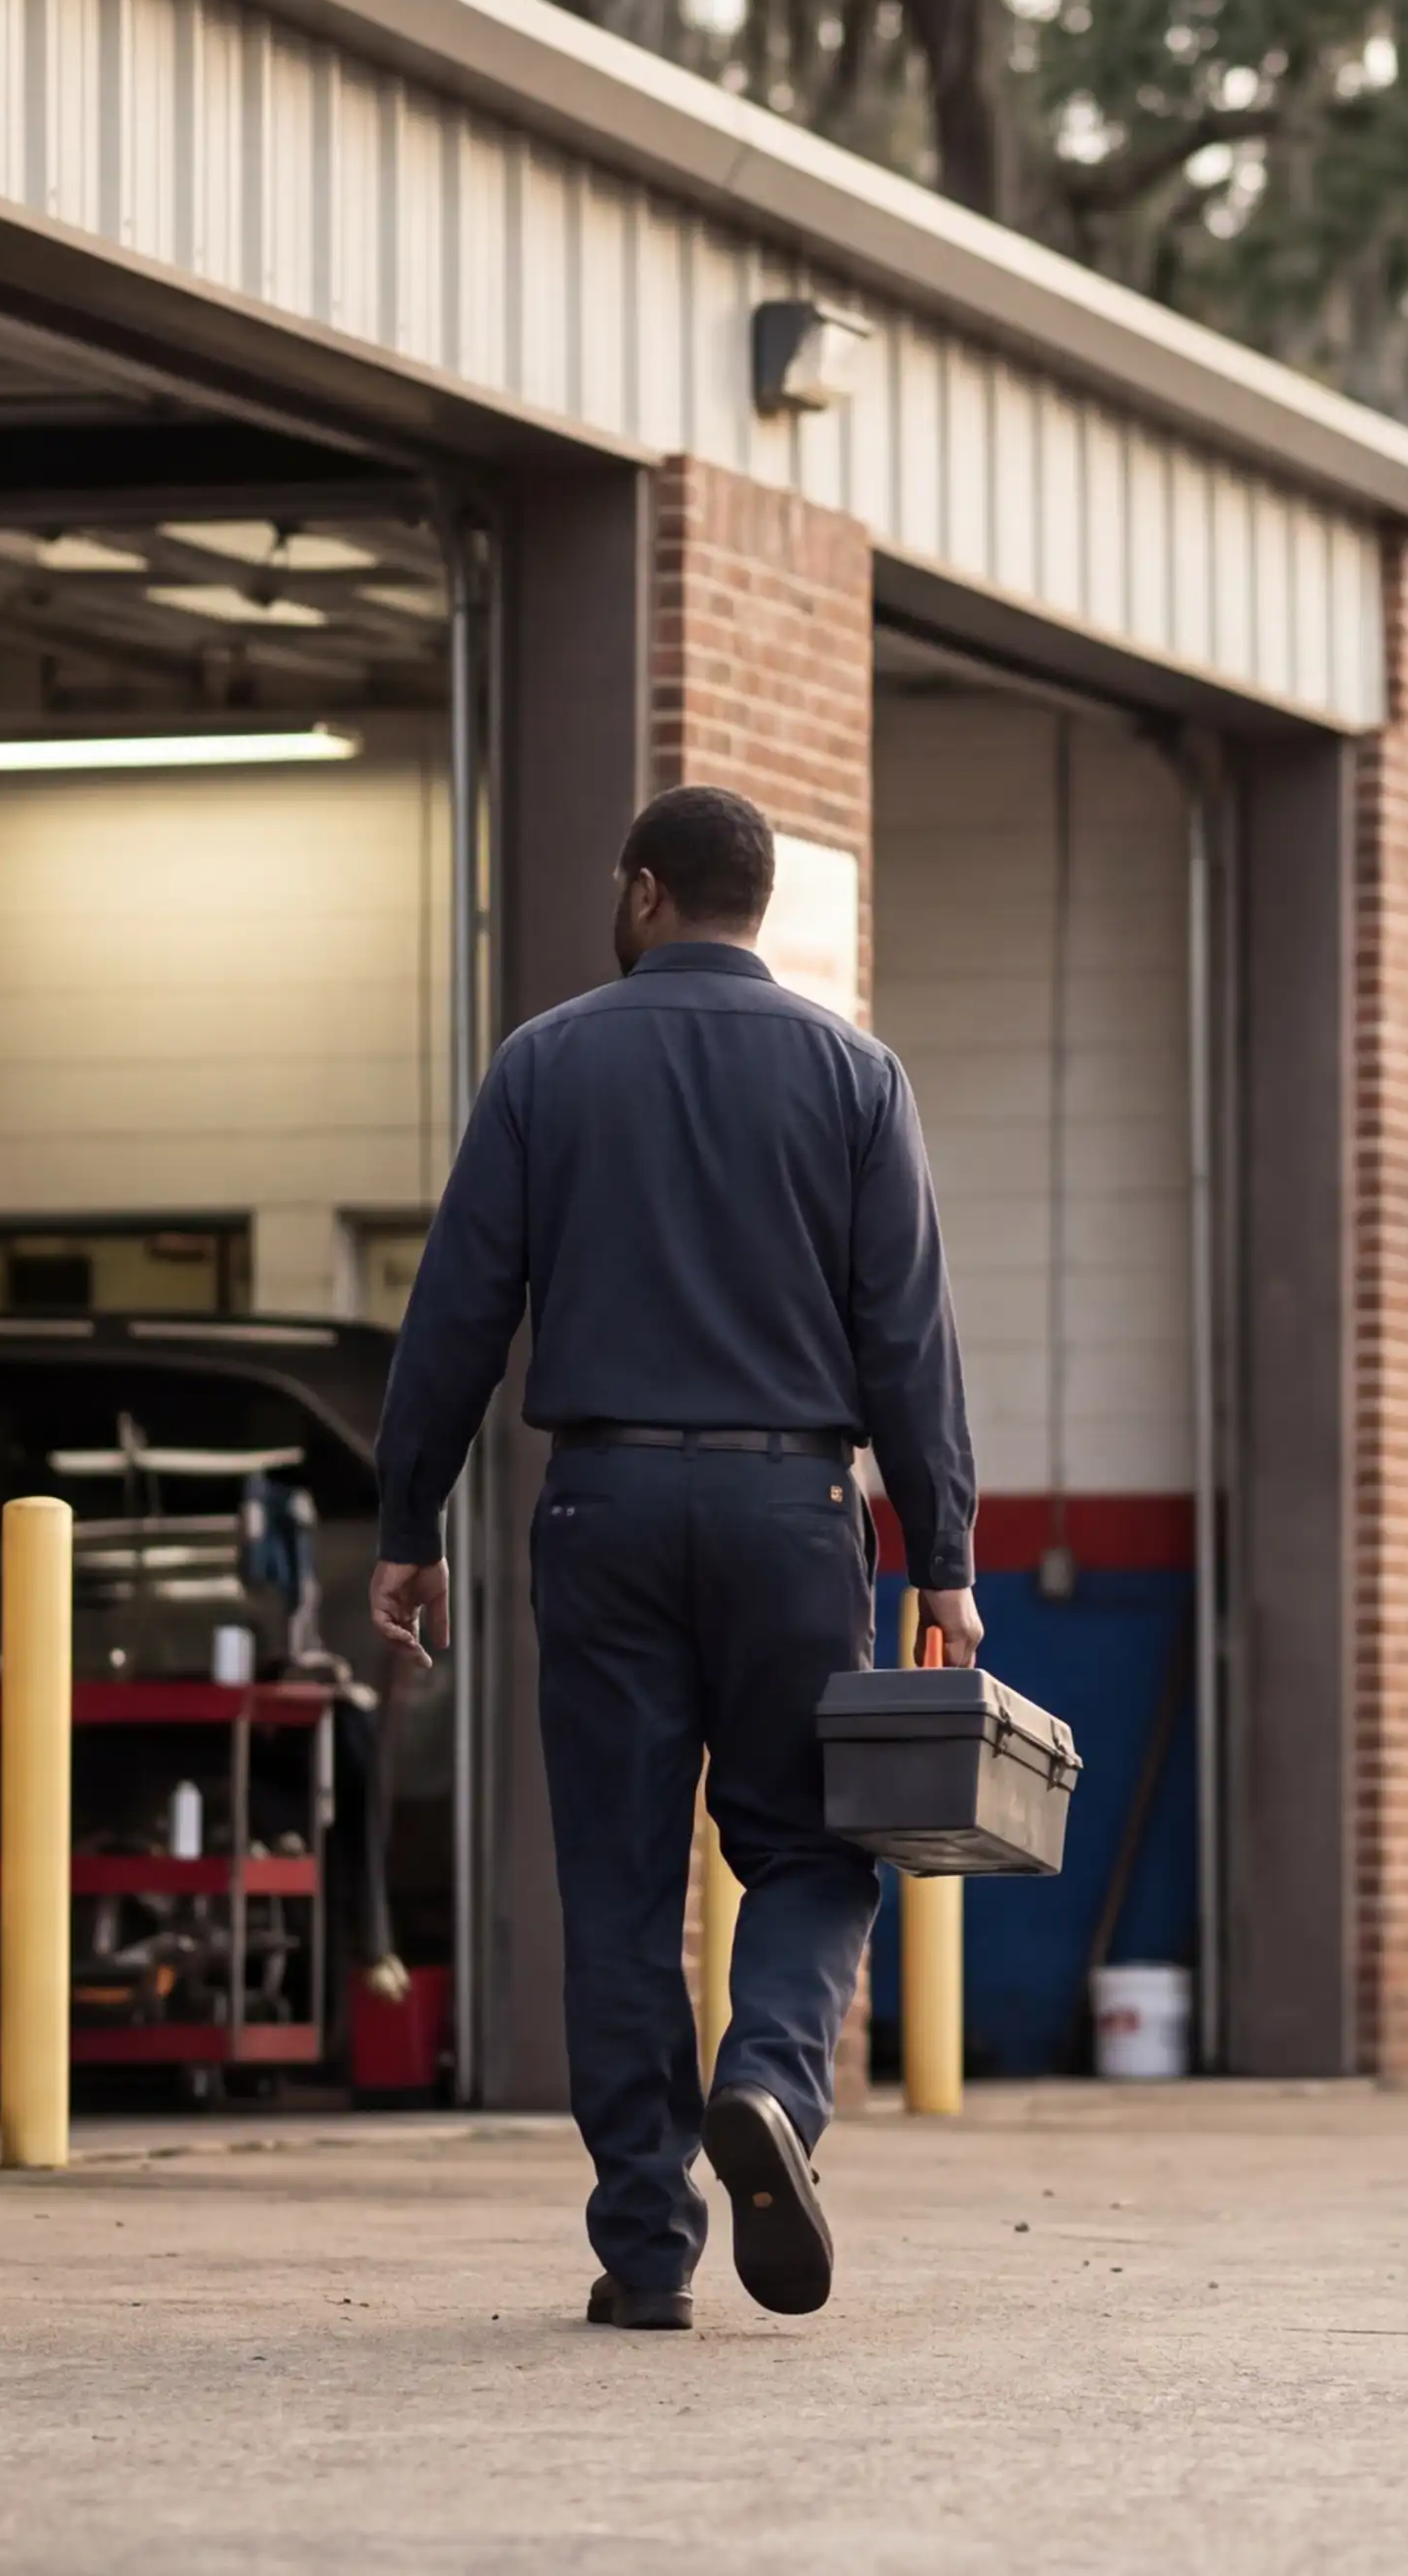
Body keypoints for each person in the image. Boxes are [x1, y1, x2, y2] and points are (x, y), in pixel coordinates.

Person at [369, 783, 979, 2333]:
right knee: (814, 1842)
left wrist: (405, 1522)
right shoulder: (855, 1073)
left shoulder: (546, 1062)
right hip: (792, 1515)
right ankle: (768, 2081)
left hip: (604, 1506)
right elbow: (907, 1334)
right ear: (752, 905)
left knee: (622, 1885)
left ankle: (647, 2246)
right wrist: (945, 1558)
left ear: (644, 891)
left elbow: (458, 1313)